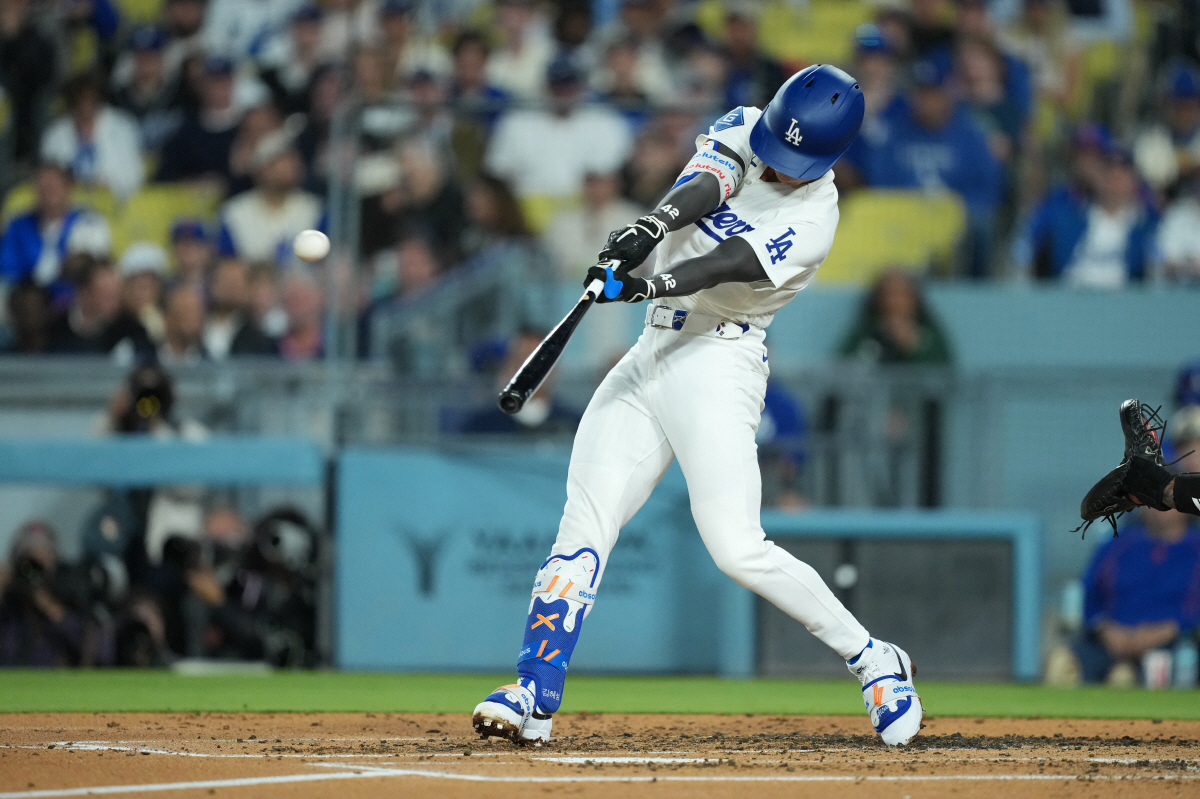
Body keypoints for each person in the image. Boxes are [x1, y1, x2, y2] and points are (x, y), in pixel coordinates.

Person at [472, 65, 923, 749]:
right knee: (583, 523)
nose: (779, 163)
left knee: (737, 547)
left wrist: (649, 280)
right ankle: (535, 690)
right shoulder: (748, 127)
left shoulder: (815, 217)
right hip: (653, 349)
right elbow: (707, 186)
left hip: (720, 359)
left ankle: (874, 659)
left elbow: (729, 263)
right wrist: (648, 227)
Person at [0, 162, 112, 296]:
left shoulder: (89, 222)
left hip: (75, 300)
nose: (48, 194)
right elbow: (7, 268)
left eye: (54, 187)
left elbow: (96, 269)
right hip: (26, 299)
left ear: (68, 188)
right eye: (43, 188)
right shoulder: (18, 226)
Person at [217, 134, 324, 264]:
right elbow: (228, 263)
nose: (288, 167)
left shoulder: (314, 209)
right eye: (279, 162)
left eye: (292, 160)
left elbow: (327, 262)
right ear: (261, 169)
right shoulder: (235, 212)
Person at [40, 72, 145, 201]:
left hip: (116, 207)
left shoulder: (124, 127)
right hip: (70, 207)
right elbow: (49, 180)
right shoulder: (55, 135)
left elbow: (134, 177)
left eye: (90, 99)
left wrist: (106, 186)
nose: (85, 105)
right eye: (80, 100)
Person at [458, 329, 582, 436]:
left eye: (539, 362)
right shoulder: (480, 428)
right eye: (520, 362)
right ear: (506, 368)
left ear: (555, 369)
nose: (529, 372)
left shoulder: (576, 426)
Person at [154, 56, 243, 186]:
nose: (218, 89)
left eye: (223, 82)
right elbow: (166, 172)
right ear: (201, 86)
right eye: (212, 83)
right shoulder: (186, 126)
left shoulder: (246, 126)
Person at [840, 270, 953, 364]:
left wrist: (912, 348)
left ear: (915, 299)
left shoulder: (929, 335)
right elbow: (842, 368)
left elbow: (945, 374)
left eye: (901, 294)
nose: (893, 302)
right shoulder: (865, 331)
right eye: (887, 294)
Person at [47, 257, 153, 357]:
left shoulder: (131, 330)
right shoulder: (56, 328)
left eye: (116, 294)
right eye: (106, 295)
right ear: (84, 293)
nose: (115, 303)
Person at [204, 258, 277, 359]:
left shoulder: (259, 331)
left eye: (236, 282)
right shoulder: (199, 323)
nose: (231, 287)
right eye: (226, 280)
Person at [117, 242, 168, 344]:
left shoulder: (168, 324)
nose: (144, 294)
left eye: (150, 287)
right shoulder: (115, 326)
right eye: (140, 287)